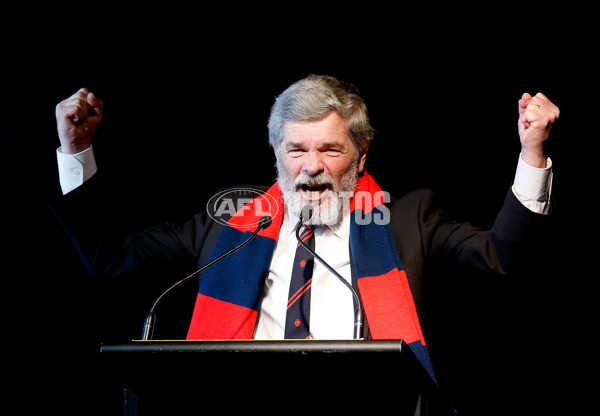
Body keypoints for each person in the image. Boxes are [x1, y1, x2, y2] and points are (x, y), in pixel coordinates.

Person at [49, 74, 558, 414]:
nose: (310, 167)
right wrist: (75, 151)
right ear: (276, 153)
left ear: (361, 155)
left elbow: (498, 261)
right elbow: (108, 257)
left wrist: (532, 155)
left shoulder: (407, 219)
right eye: (296, 149)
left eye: (329, 149)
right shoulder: (228, 226)